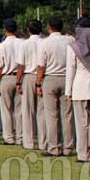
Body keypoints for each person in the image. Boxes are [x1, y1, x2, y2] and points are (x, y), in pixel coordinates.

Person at [65, 16, 90, 163]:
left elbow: (71, 70)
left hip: (79, 88)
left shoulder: (73, 47)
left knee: (81, 123)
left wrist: (68, 91)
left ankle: (82, 154)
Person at [36, 15, 74, 157]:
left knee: (51, 115)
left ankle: (54, 147)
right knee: (67, 115)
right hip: (66, 78)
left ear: (49, 27)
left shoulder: (44, 43)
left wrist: (38, 83)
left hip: (50, 78)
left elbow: (41, 66)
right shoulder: (69, 40)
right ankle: (68, 146)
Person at [0, 19, 21, 145]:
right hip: (20, 77)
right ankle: (21, 136)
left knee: (6, 109)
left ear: (5, 29)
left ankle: (9, 137)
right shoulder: (22, 43)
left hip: (6, 77)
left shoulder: (1, 46)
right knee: (19, 110)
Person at [15, 20, 42, 151]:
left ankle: (29, 141)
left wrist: (18, 81)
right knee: (42, 111)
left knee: (28, 110)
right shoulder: (43, 42)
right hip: (42, 76)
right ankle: (43, 141)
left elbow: (21, 65)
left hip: (29, 75)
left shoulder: (24, 44)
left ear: (28, 30)